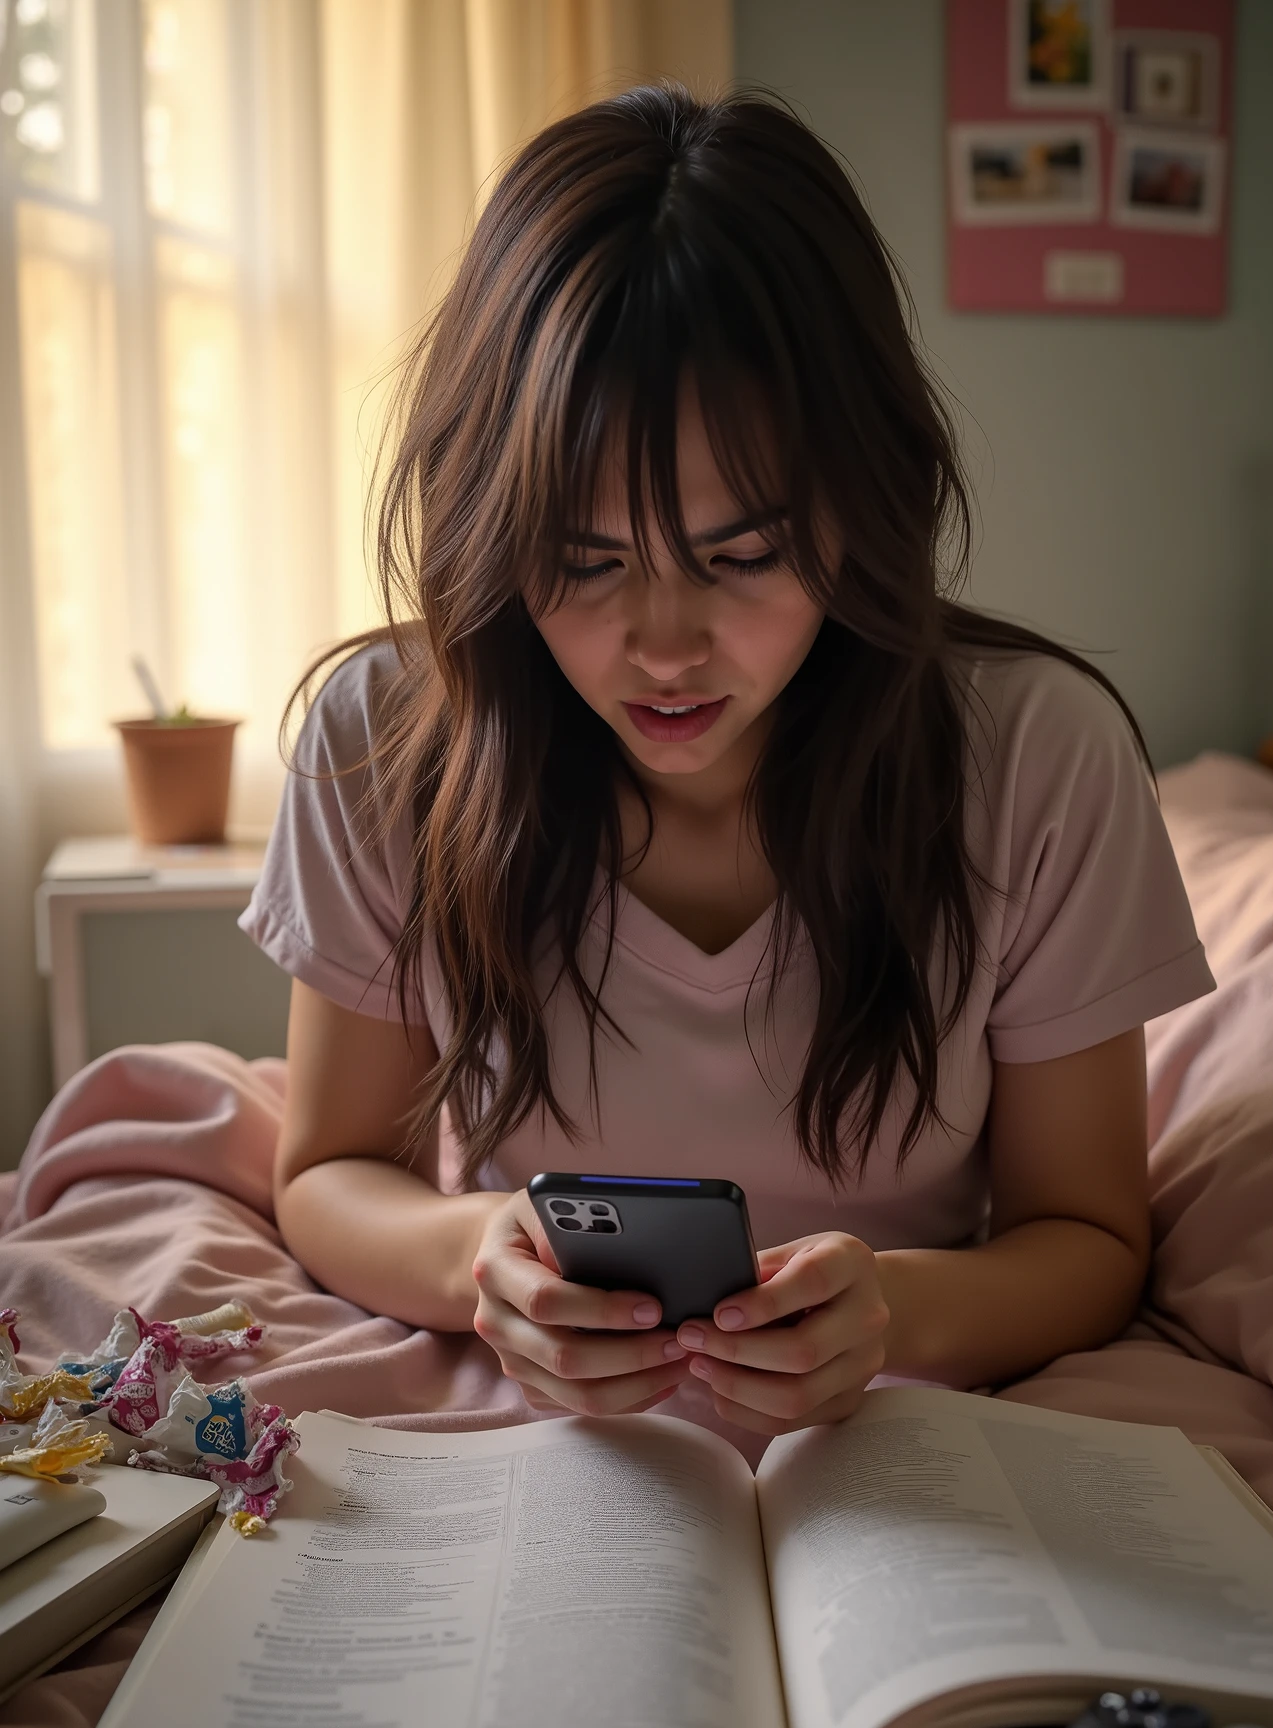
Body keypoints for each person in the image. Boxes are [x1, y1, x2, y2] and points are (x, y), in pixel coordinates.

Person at [241, 85, 1213, 1444]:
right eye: (584, 563)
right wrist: (480, 1261)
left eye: (744, 556)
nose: (663, 648)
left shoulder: (1039, 758)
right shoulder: (389, 739)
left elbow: (1090, 1234)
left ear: (864, 501)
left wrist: (899, 1314)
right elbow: (333, 1169)